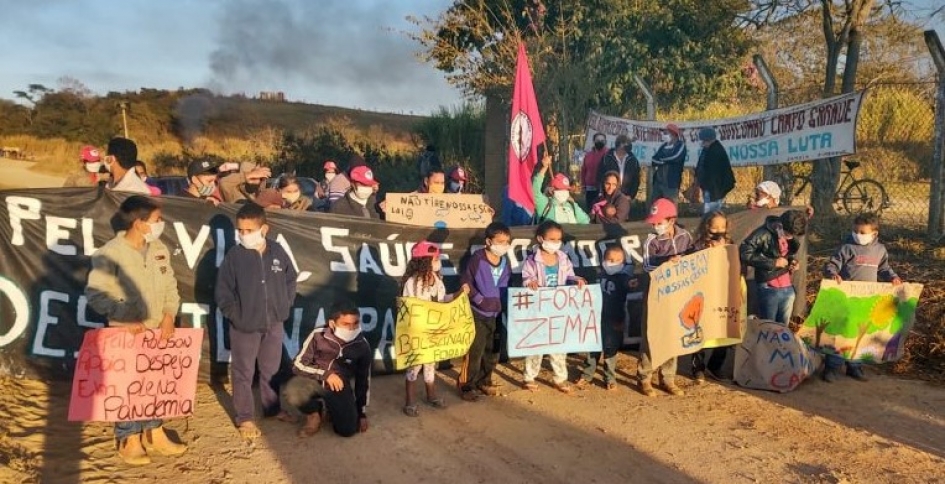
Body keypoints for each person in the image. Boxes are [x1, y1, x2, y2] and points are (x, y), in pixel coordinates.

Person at [85, 196, 186, 465]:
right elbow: (96, 295)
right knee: (128, 386)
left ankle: (155, 431)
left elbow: (170, 285)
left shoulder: (158, 248)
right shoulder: (110, 253)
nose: (160, 224)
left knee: (154, 384)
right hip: (126, 334)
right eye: (156, 220)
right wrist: (124, 318)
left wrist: (169, 314)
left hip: (156, 332)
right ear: (139, 223)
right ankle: (129, 437)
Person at [215, 202, 298, 441]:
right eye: (240, 230)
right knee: (243, 372)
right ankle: (245, 418)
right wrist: (236, 316)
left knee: (271, 370)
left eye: (248, 230)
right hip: (245, 328)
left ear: (264, 229)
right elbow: (223, 292)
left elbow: (290, 279)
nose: (243, 235)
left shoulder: (277, 251)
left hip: (274, 324)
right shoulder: (234, 256)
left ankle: (272, 409)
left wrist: (285, 303)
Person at [822, 212, 902, 382]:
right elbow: (832, 265)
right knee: (841, 332)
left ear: (874, 234)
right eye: (855, 231)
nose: (858, 235)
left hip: (867, 300)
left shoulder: (880, 250)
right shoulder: (847, 248)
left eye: (863, 232)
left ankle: (854, 367)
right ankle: (832, 368)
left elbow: (884, 268)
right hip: (846, 298)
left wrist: (892, 277)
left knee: (860, 334)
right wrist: (833, 274)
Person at [284, 300, 371, 437]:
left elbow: (363, 380)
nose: (352, 329)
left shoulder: (362, 345)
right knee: (292, 390)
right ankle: (314, 413)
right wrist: (325, 374)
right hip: (313, 381)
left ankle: (332, 409)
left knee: (347, 430)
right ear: (332, 323)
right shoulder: (318, 335)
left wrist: (361, 413)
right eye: (346, 324)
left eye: (355, 324)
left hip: (338, 386)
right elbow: (297, 364)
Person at [400, 241, 467, 416]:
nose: (438, 261)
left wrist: (459, 294)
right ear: (424, 260)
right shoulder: (412, 283)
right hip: (418, 333)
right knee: (414, 368)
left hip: (434, 331)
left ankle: (431, 396)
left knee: (430, 364)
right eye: (435, 258)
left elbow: (444, 299)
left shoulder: (437, 279)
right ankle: (410, 401)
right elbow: (410, 308)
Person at [521, 220, 586, 393]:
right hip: (538, 309)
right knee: (536, 346)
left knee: (559, 346)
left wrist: (576, 280)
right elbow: (526, 277)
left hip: (558, 309)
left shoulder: (563, 258)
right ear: (540, 239)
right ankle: (529, 377)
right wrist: (530, 282)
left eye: (558, 239)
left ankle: (560, 378)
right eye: (552, 239)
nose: (555, 243)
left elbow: (569, 276)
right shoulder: (532, 260)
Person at [638, 198, 693, 397]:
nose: (656, 226)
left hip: (677, 295)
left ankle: (667, 377)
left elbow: (693, 258)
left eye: (659, 222)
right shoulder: (651, 240)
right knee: (651, 335)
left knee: (673, 335)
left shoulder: (685, 236)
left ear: (672, 220)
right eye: (654, 222)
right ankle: (645, 377)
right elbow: (646, 266)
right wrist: (667, 263)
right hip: (655, 294)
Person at [458, 222, 512, 400]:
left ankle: (484, 381)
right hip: (477, 313)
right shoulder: (477, 259)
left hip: (496, 314)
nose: (504, 246)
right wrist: (479, 299)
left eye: (507, 242)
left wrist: (501, 304)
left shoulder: (505, 261)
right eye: (500, 241)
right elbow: (465, 282)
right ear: (489, 241)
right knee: (475, 351)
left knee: (492, 351)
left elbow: (505, 284)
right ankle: (467, 386)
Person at [576, 245, 633, 391]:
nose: (613, 264)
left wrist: (631, 284)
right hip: (595, 319)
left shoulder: (623, 278)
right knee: (592, 349)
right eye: (610, 260)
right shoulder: (597, 276)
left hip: (614, 320)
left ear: (623, 263)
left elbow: (628, 284)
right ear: (603, 260)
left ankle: (610, 378)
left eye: (618, 261)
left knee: (610, 350)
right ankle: (587, 375)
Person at [739, 210, 807, 326]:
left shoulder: (790, 236)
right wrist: (773, 263)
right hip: (769, 286)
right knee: (768, 326)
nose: (790, 238)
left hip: (787, 286)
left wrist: (792, 262)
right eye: (788, 234)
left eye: (793, 235)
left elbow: (788, 253)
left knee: (783, 328)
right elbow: (745, 253)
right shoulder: (763, 233)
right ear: (780, 225)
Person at [690, 211, 734, 383]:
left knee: (724, 329)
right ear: (707, 226)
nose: (719, 230)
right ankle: (698, 368)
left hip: (723, 293)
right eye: (715, 227)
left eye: (722, 227)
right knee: (700, 330)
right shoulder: (698, 245)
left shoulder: (730, 243)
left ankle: (716, 365)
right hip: (703, 293)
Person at [533, 154, 590, 224]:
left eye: (566, 190)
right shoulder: (544, 204)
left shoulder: (572, 205)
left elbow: (585, 221)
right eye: (560, 189)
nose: (564, 192)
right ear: (552, 190)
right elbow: (534, 189)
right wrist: (544, 168)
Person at [694, 128, 735, 214]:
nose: (701, 142)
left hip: (714, 189)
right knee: (710, 211)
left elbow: (714, 175)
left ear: (708, 139)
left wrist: (713, 192)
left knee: (711, 213)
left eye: (703, 140)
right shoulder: (707, 149)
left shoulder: (716, 151)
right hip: (709, 187)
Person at [597, 134, 641, 202]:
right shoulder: (607, 158)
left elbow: (636, 180)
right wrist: (601, 193)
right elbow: (600, 177)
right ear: (619, 144)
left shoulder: (633, 160)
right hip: (608, 196)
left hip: (625, 197)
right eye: (625, 144)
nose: (627, 146)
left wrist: (631, 196)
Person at [651, 124, 687, 201]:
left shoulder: (680, 145)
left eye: (666, 133)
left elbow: (675, 157)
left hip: (671, 184)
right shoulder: (663, 146)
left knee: (670, 207)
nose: (664, 135)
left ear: (673, 134)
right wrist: (663, 161)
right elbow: (654, 160)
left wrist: (661, 160)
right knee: (655, 206)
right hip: (658, 183)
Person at [581, 133, 609, 207]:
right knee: (590, 208)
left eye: (602, 140)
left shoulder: (608, 154)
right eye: (598, 140)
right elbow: (583, 170)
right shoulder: (588, 155)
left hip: (603, 188)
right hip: (589, 187)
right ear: (593, 141)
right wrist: (583, 185)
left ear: (605, 141)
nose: (600, 141)